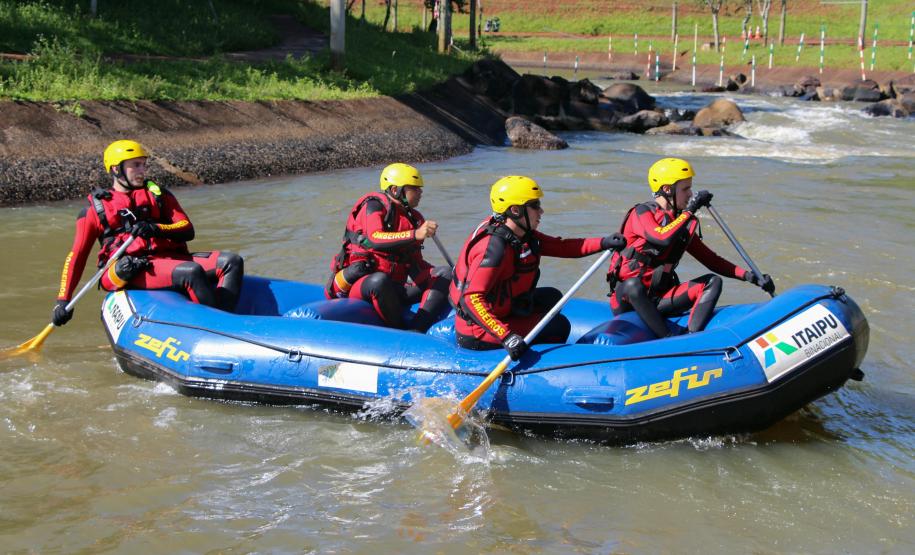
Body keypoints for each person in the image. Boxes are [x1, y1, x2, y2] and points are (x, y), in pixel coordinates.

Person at [51, 140, 244, 327]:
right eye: (136, 165)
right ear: (116, 169)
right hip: (135, 267)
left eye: (144, 165)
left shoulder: (159, 195)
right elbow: (77, 256)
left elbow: (187, 229)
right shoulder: (94, 211)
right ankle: (216, 326)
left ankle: (225, 321)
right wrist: (63, 300)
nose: (143, 171)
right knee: (191, 272)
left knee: (232, 262)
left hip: (169, 258)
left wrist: (155, 228)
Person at [449, 176, 625, 360]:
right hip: (478, 333)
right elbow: (472, 299)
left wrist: (604, 242)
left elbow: (562, 247)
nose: (541, 211)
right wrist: (506, 336)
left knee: (552, 297)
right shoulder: (493, 249)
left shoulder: (519, 233)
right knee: (559, 326)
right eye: (535, 205)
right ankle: (538, 369)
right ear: (515, 210)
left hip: (503, 308)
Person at [606, 157, 775, 338]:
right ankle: (669, 339)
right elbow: (660, 237)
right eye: (685, 189)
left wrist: (751, 277)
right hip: (628, 300)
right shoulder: (642, 213)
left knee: (713, 281)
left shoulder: (682, 226)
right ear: (667, 189)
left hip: (659, 298)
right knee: (633, 285)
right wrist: (690, 210)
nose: (690, 194)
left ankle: (692, 337)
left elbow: (711, 260)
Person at [326, 163, 450, 332]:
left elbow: (414, 264)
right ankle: (397, 331)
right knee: (379, 281)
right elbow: (374, 238)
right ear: (395, 190)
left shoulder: (414, 219)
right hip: (365, 286)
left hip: (396, 287)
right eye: (414, 188)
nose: (420, 192)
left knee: (446, 274)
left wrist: (451, 278)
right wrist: (415, 234)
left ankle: (417, 329)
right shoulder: (373, 206)